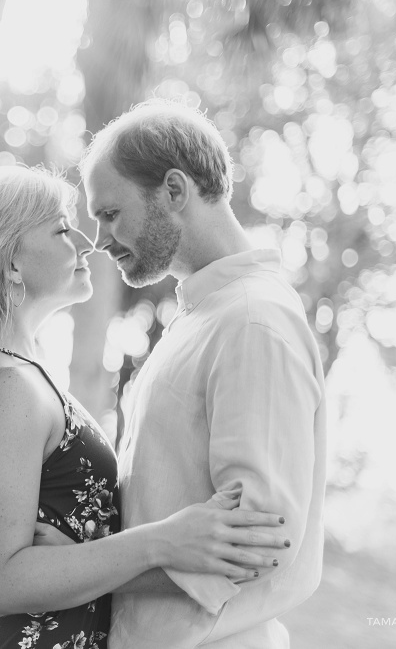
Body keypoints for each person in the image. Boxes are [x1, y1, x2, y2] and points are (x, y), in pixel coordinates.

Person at [0, 166, 290, 649]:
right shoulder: (3, 385)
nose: (87, 243)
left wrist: (107, 555)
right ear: (10, 263)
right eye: (61, 228)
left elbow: (64, 560)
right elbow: (0, 582)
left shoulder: (22, 371)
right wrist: (163, 540)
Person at [80, 100, 327, 648]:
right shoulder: (208, 315)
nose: (99, 239)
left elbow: (257, 541)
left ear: (173, 190)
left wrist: (83, 569)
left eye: (110, 213)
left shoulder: (252, 322)